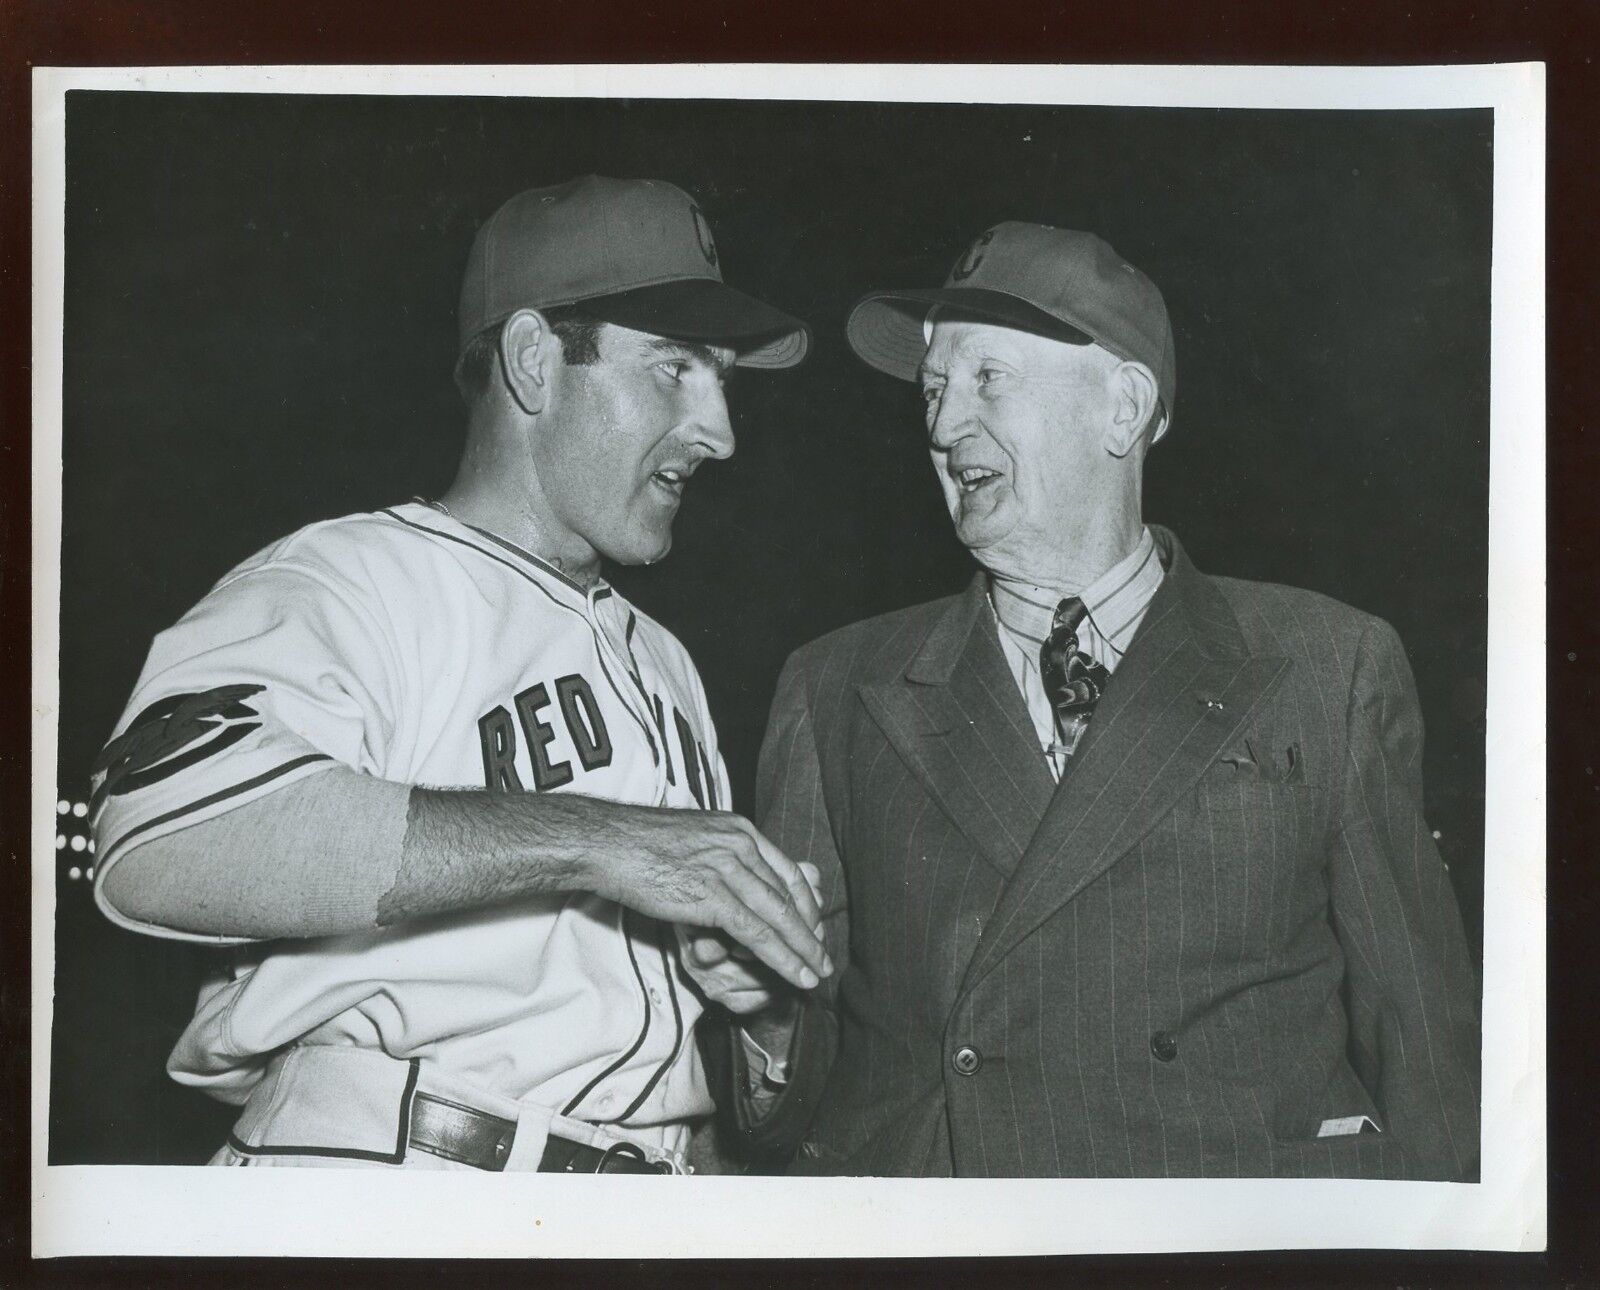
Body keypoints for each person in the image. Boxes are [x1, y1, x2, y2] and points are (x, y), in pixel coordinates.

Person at [705, 221, 1481, 1179]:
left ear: (1124, 409)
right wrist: (771, 1021)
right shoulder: (835, 688)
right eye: (935, 390)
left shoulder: (1329, 666)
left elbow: (1428, 1051)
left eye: (989, 378)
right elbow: (787, 1111)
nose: (944, 426)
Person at [88, 175, 830, 1175]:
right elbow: (159, 842)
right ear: (532, 361)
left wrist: (762, 1015)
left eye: (724, 380)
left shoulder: (665, 662)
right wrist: (604, 844)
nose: (720, 432)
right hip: (387, 1185)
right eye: (675, 370)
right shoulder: (349, 579)